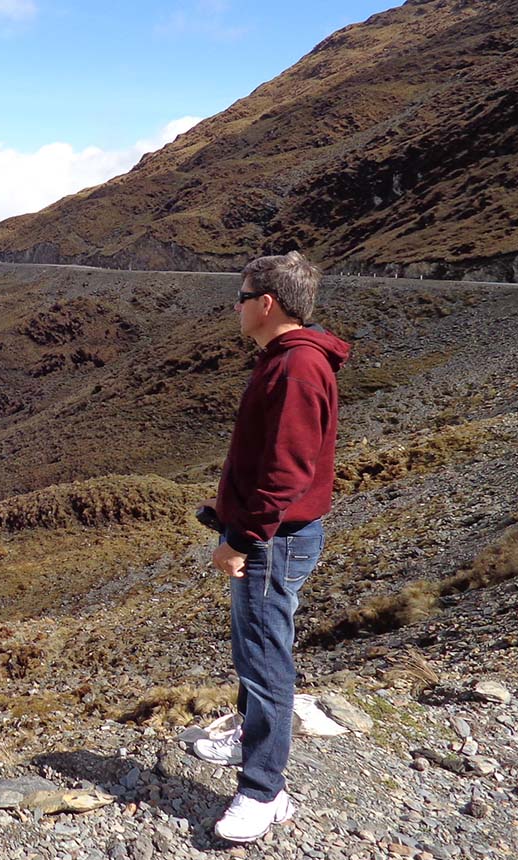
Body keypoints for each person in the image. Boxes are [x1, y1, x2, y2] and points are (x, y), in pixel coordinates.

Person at [193, 251, 351, 843]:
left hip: (272, 543)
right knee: (257, 647)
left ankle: (264, 791)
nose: (235, 307)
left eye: (241, 296)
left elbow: (285, 473)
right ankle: (249, 737)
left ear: (266, 303)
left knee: (264, 658)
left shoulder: (297, 369)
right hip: (273, 538)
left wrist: (240, 538)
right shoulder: (285, 360)